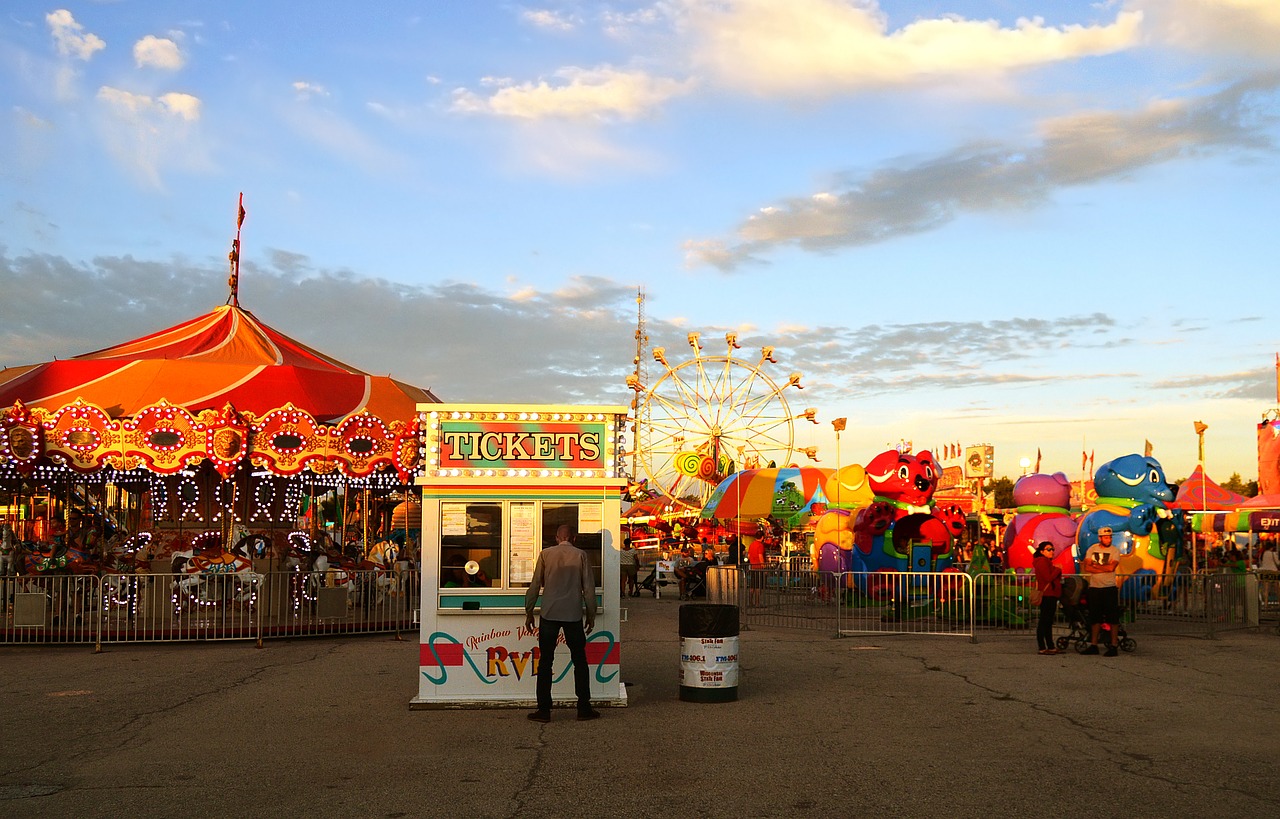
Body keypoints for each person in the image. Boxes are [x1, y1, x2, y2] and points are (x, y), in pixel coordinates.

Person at [524, 525, 598, 723]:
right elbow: (588, 589)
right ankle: (584, 707)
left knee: (545, 662)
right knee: (580, 661)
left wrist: (529, 611)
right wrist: (591, 615)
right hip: (573, 614)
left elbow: (535, 585)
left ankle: (543, 710)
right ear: (574, 538)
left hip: (549, 613)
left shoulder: (545, 554)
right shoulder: (581, 555)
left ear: (557, 538)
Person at [1082, 526, 1123, 656]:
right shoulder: (1092, 549)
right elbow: (1087, 567)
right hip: (1095, 588)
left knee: (1112, 618)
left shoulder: (1114, 551)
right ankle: (1094, 645)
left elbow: (1111, 568)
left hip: (1109, 587)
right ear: (1100, 538)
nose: (1108, 539)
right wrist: (1103, 567)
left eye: (1110, 537)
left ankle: (1114, 645)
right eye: (1106, 537)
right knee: (1095, 618)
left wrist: (1096, 566)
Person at [1032, 541, 1063, 655]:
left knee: (1048, 621)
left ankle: (1050, 646)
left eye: (1053, 549)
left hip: (1051, 594)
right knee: (1044, 621)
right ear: (1042, 551)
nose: (1052, 551)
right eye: (1049, 549)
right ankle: (1042, 647)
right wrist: (1058, 569)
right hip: (1047, 594)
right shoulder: (1042, 561)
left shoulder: (1046, 562)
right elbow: (1048, 577)